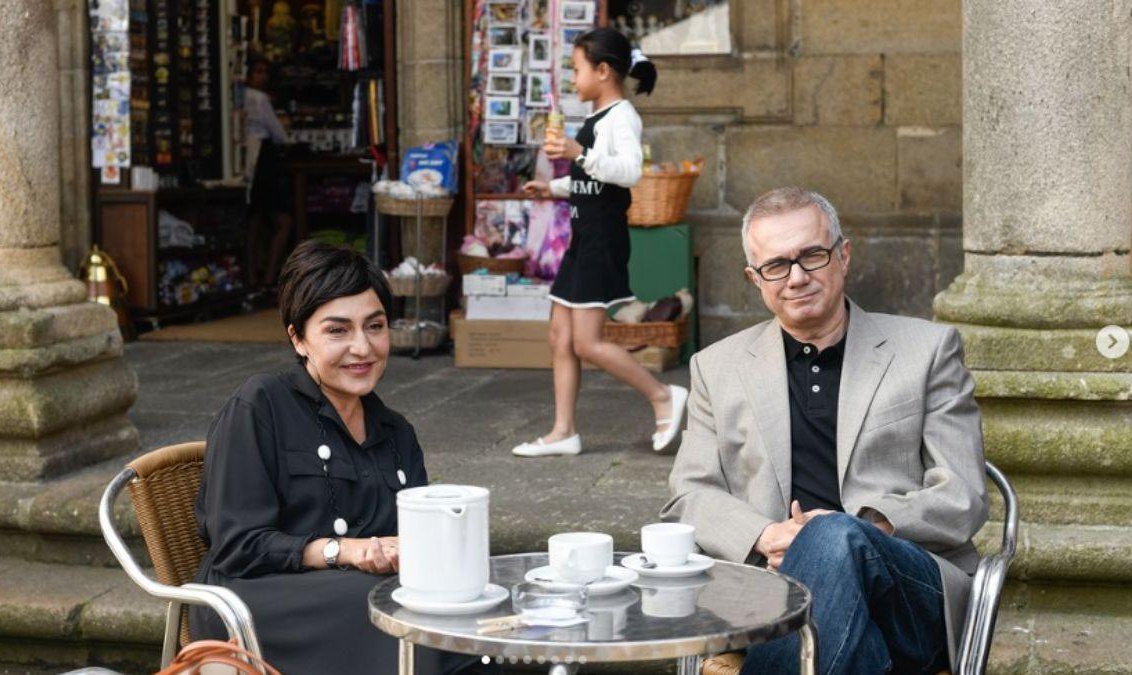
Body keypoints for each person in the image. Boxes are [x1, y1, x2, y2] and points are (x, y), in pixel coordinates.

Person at [661, 187, 989, 674]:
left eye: (812, 255)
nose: (797, 277)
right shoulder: (717, 367)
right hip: (772, 592)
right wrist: (767, 535)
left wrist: (864, 526)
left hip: (906, 588)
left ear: (843, 256)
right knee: (854, 647)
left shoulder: (927, 350)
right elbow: (689, 496)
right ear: (755, 278)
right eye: (776, 265)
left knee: (835, 536)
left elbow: (963, 495)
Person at [190, 241, 491, 674]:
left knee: (470, 612)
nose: (362, 347)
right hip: (258, 603)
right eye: (338, 330)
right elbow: (238, 546)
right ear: (298, 338)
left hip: (359, 595)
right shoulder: (261, 404)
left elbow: (415, 541)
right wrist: (344, 550)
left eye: (375, 326)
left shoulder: (396, 433)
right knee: (401, 622)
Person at [515, 27, 687, 457]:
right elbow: (591, 181)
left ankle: (663, 396)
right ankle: (563, 432)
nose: (574, 80)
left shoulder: (621, 116)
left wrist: (577, 152)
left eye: (577, 70)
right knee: (559, 336)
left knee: (586, 342)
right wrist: (553, 188)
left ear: (604, 71)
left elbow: (628, 172)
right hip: (582, 240)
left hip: (602, 243)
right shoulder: (596, 119)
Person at [244, 54, 295, 291]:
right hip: (264, 160)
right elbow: (278, 133)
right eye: (258, 72)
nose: (263, 77)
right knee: (282, 220)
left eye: (265, 72)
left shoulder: (240, 96)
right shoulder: (259, 98)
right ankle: (269, 277)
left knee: (254, 221)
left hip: (247, 160)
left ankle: (252, 276)